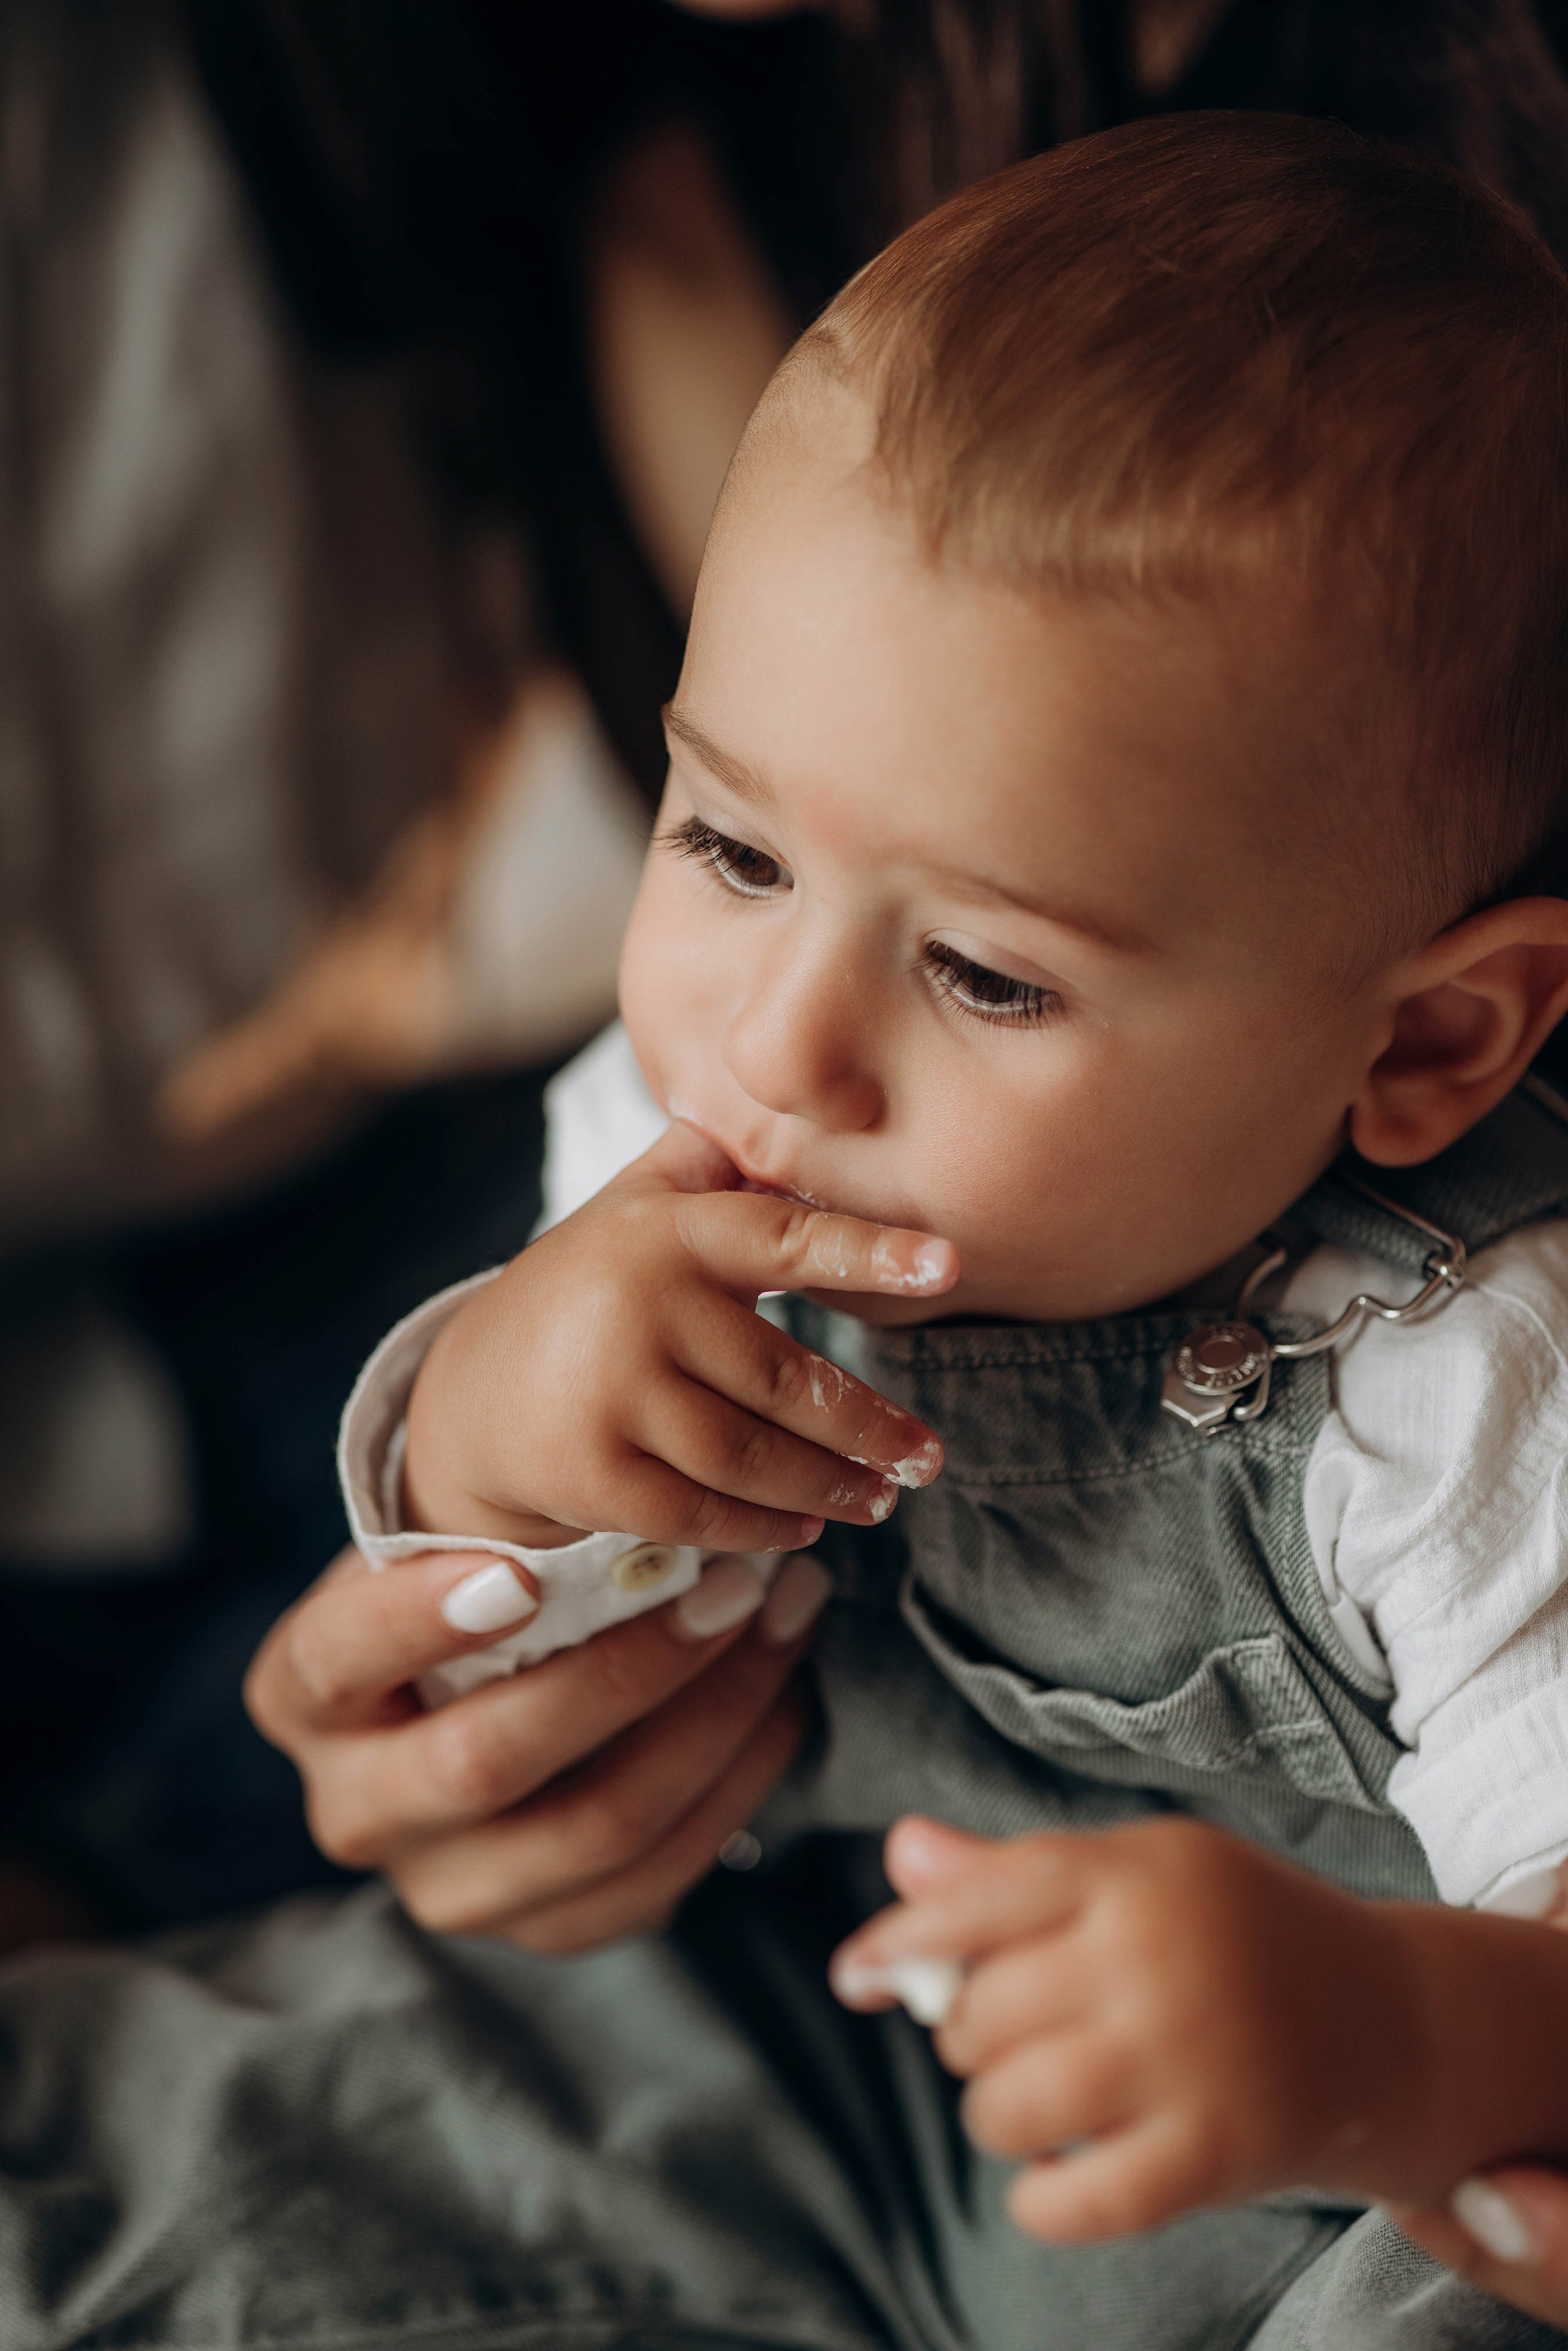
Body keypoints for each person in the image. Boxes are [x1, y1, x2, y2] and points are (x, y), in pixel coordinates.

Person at [42, 108, 1558, 2349]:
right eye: (732, 849)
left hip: (1307, 2221)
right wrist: (499, 1432)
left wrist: (1385, 2039)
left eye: (988, 973)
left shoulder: (1464, 1384)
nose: (780, 1042)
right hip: (807, 2061)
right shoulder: (682, 1129)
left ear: (1427, 1045)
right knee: (157, 2154)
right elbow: (511, 1667)